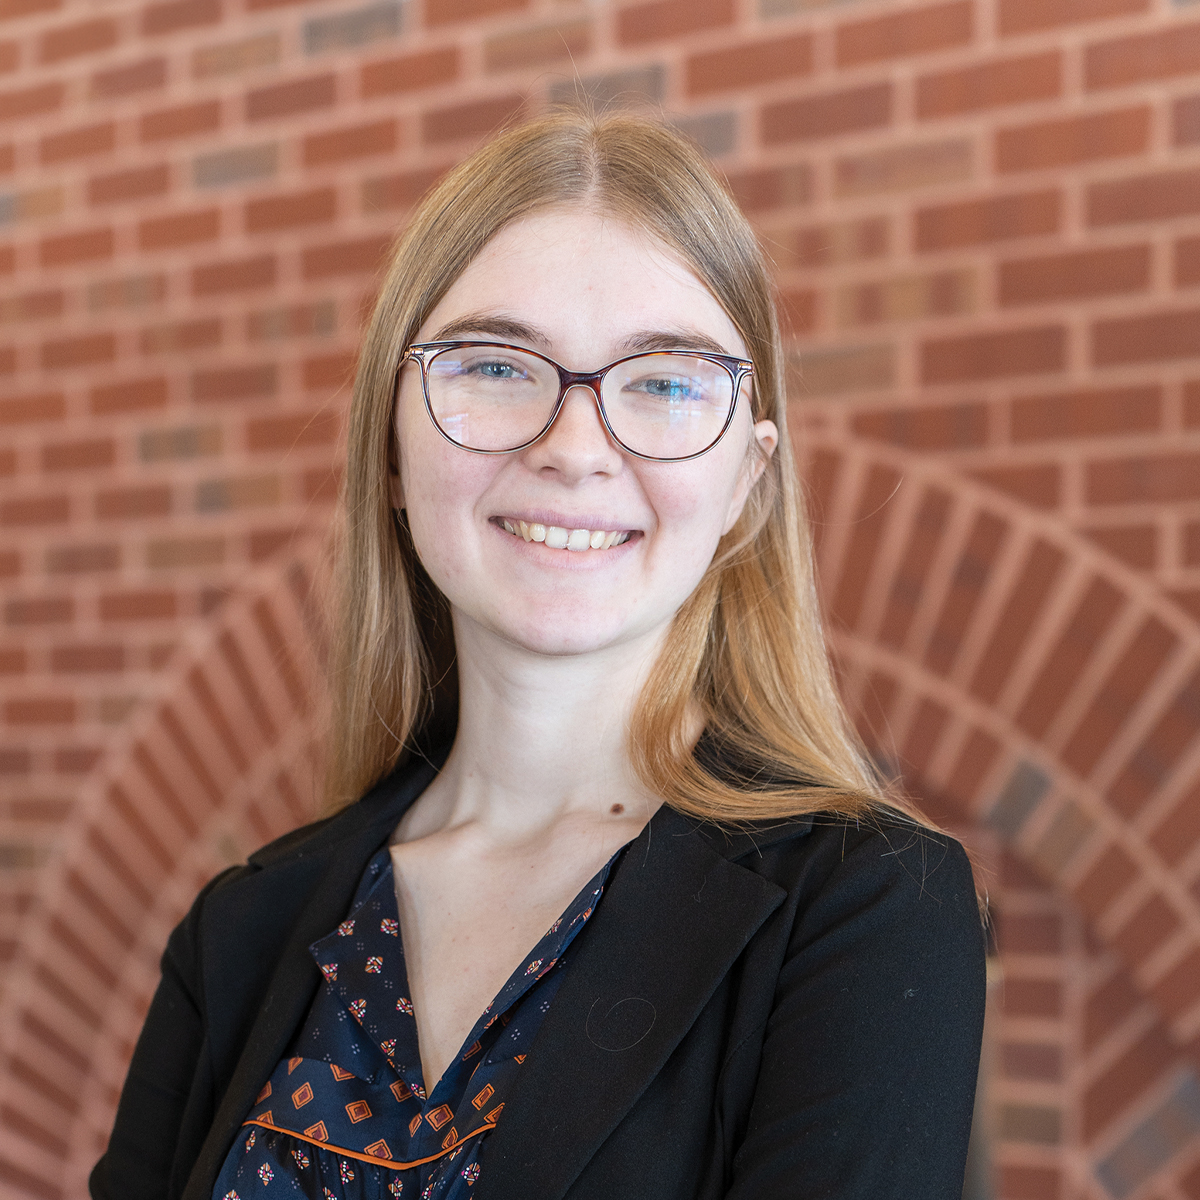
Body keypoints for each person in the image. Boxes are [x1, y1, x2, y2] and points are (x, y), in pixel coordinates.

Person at [91, 109, 986, 1200]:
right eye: (495, 365)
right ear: (391, 444)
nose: (572, 449)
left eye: (661, 382)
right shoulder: (241, 929)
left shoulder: (867, 910)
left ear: (747, 485)